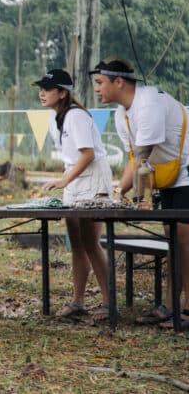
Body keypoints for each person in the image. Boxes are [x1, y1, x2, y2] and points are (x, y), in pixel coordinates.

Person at [91, 57, 189, 329]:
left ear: (118, 81)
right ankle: (170, 306)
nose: (97, 89)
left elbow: (142, 158)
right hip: (165, 174)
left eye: (100, 83)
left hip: (185, 169)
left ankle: (188, 310)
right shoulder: (121, 114)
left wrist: (135, 197)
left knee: (184, 240)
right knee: (172, 240)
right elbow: (136, 159)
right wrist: (118, 193)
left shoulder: (148, 105)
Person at [32, 69, 112, 321]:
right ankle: (78, 301)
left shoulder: (76, 115)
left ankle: (109, 303)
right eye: (41, 88)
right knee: (76, 242)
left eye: (48, 89)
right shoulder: (55, 118)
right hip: (74, 180)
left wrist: (64, 180)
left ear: (63, 92)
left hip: (92, 180)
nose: (42, 93)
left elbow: (87, 154)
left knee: (91, 241)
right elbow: (71, 157)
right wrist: (65, 180)